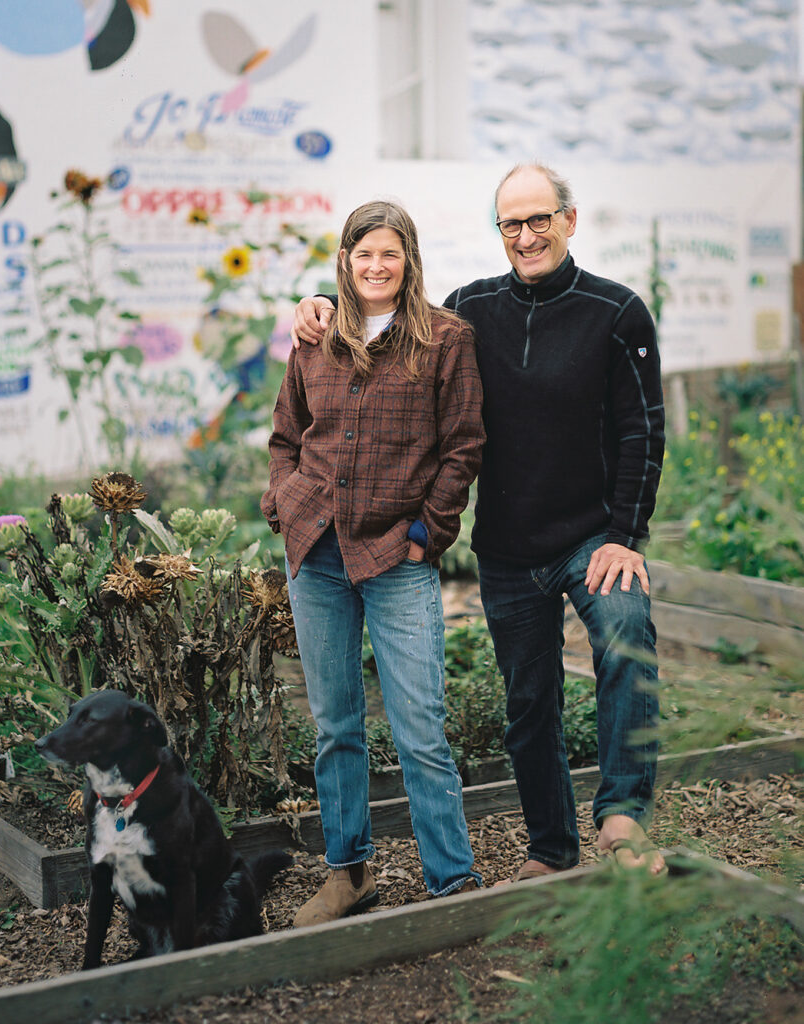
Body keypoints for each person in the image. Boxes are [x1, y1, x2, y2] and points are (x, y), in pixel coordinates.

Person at [291, 164, 667, 879]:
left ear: (569, 220)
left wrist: (625, 534)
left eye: (539, 220)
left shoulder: (617, 312)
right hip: (509, 546)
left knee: (627, 637)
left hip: (594, 537)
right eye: (511, 224)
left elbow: (641, 432)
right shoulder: (470, 313)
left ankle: (623, 818)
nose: (525, 236)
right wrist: (315, 302)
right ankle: (551, 851)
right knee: (529, 702)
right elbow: (388, 324)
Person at [262, 200, 485, 925]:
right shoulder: (316, 339)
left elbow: (463, 446)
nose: (377, 267)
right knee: (335, 726)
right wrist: (282, 504)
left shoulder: (446, 340)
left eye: (390, 254)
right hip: (317, 554)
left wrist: (428, 531)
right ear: (346, 261)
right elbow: (286, 436)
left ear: (409, 259)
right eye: (364, 255)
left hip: (396, 554)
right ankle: (348, 875)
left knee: (420, 725)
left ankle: (451, 883)